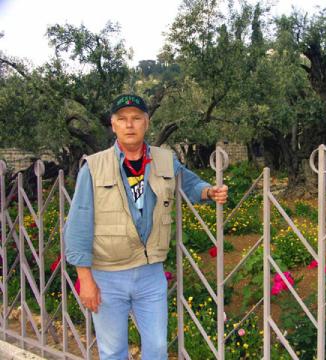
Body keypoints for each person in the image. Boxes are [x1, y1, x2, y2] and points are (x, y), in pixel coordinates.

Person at [64, 94, 228, 360]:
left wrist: (209, 192)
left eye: (136, 118)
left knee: (157, 349)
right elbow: (78, 224)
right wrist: (85, 279)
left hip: (150, 274)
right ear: (113, 124)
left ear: (147, 123)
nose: (130, 125)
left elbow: (189, 184)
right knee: (113, 352)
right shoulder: (93, 167)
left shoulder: (164, 159)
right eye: (122, 119)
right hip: (107, 275)